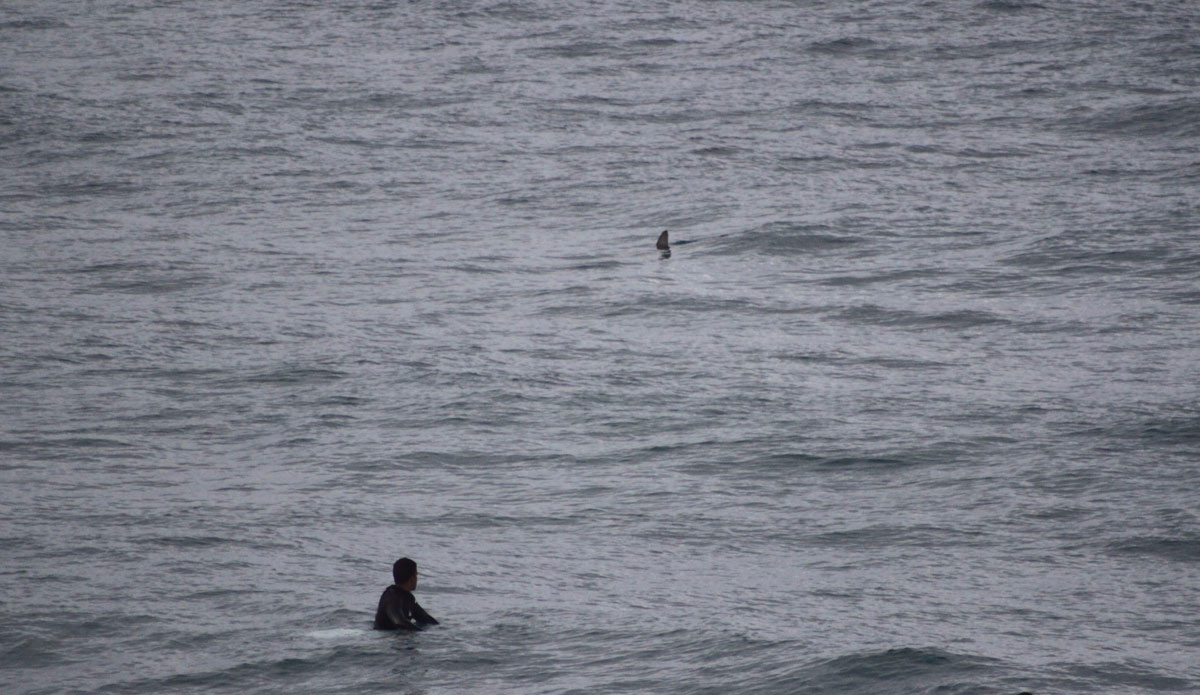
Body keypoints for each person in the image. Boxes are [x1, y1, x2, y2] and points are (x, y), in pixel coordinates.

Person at [373, 557, 439, 631]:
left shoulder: (408, 598)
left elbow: (424, 618)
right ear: (412, 578)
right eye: (416, 575)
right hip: (383, 638)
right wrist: (421, 633)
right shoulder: (392, 598)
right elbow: (399, 622)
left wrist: (439, 629)